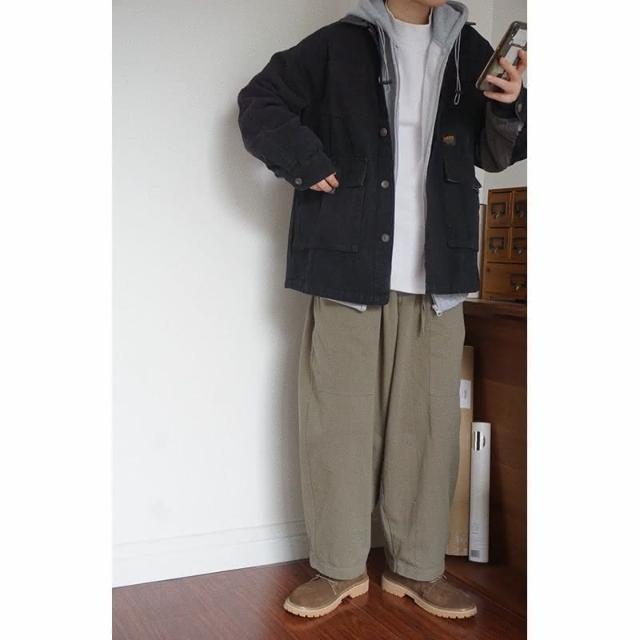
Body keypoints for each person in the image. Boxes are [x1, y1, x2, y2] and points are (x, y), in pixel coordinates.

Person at [237, 0, 526, 621]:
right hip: (347, 266)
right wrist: (307, 162)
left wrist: (509, 105)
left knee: (428, 430)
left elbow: (495, 154)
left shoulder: (470, 51)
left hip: (439, 272)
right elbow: (259, 102)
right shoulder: (336, 45)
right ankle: (338, 567)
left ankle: (418, 569)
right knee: (338, 426)